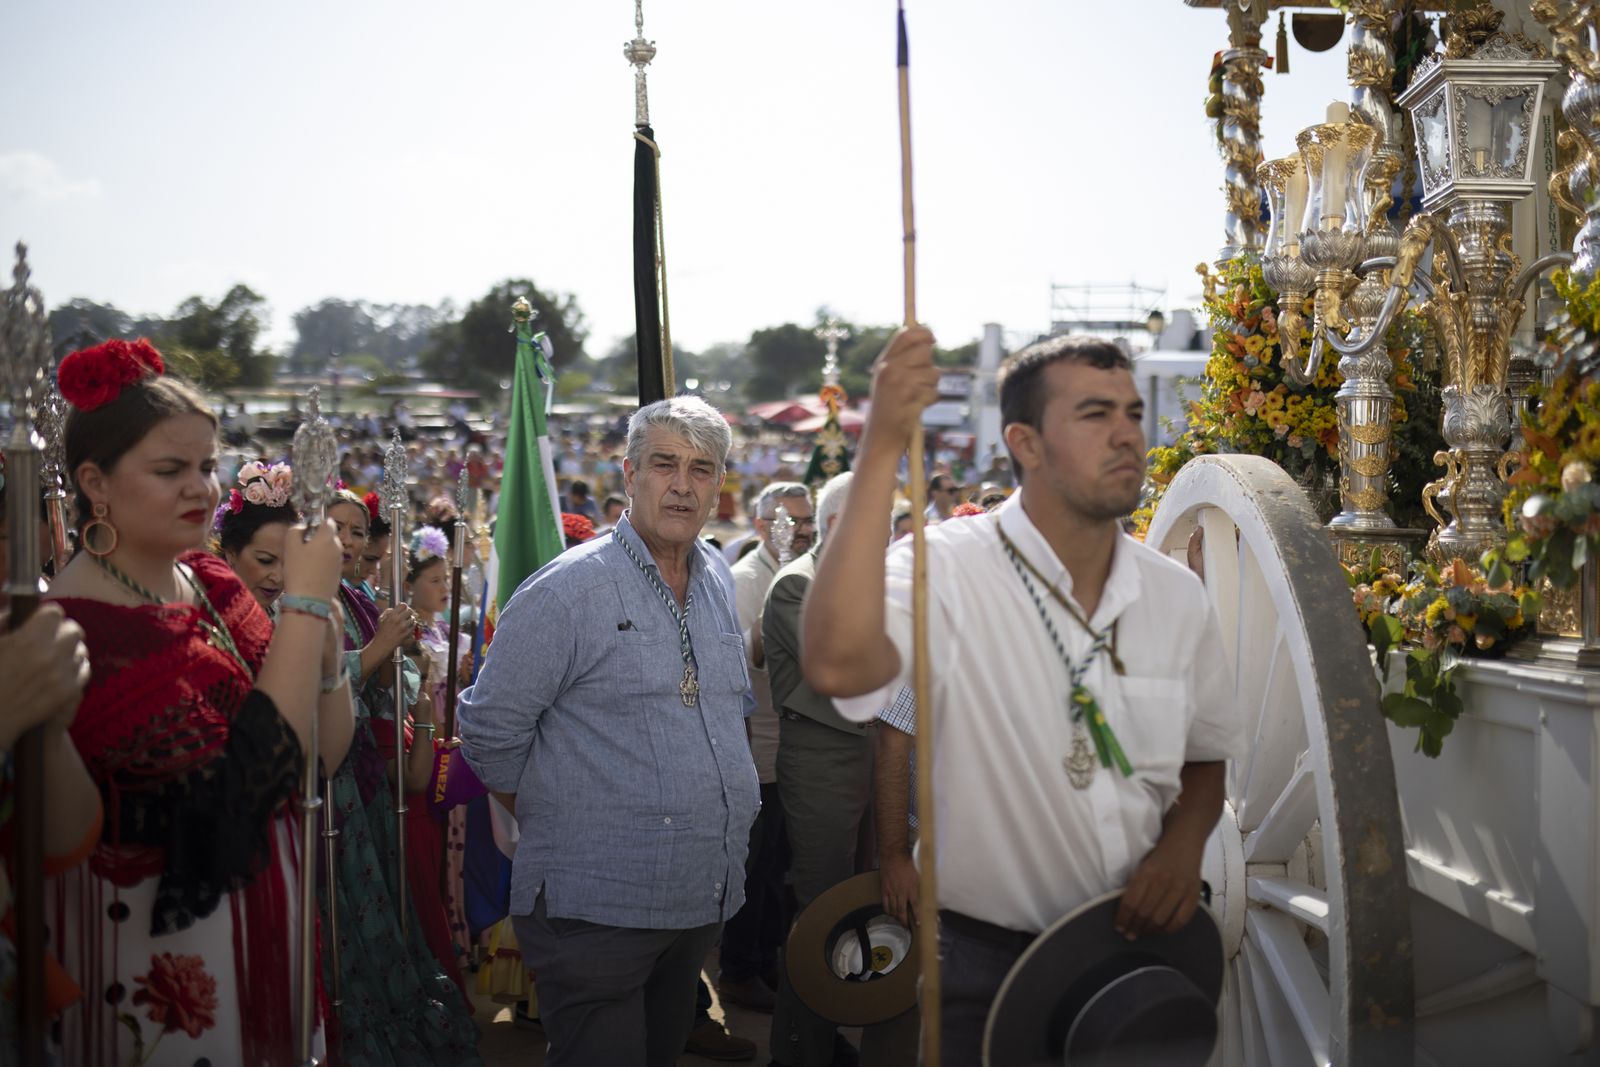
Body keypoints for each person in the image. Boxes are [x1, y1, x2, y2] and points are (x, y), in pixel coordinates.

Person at [802, 331, 1244, 1063]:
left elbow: (1205, 759)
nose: (1127, 433)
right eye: (1096, 413)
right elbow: (836, 664)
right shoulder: (944, 570)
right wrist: (880, 445)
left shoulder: (1177, 595)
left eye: (1133, 412)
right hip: (981, 968)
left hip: (1141, 960)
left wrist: (1182, 844)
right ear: (1026, 444)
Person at [43, 338, 354, 1065]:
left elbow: (313, 765)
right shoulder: (77, 631)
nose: (202, 489)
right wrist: (305, 605)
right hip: (158, 971)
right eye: (170, 469)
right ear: (96, 481)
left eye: (207, 466)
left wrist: (327, 656)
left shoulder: (211, 579)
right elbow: (227, 814)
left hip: (267, 941)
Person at [459, 396, 760, 1067]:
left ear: (719, 484)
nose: (682, 483)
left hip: (694, 900)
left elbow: (727, 710)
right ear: (628, 473)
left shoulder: (714, 577)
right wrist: (563, 820)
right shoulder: (567, 591)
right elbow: (488, 733)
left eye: (702, 468)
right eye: (664, 463)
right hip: (596, 906)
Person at [323, 489, 481, 1065]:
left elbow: (399, 699)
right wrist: (384, 646)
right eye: (334, 528)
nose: (347, 542)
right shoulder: (309, 604)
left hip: (386, 774)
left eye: (357, 533)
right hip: (337, 783)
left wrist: (416, 684)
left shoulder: (358, 601)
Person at [767, 471, 916, 1067]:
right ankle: (799, 1049)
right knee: (821, 909)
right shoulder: (797, 586)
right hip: (824, 760)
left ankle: (830, 1037)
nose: (886, 540)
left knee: (863, 903)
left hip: (870, 757)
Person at [718, 481, 813, 1013]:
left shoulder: (802, 571)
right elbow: (744, 665)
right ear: (760, 527)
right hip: (758, 751)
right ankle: (738, 969)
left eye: (806, 521)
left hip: (792, 749)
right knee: (751, 870)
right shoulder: (746, 580)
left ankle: (766, 959)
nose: (801, 531)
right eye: (790, 521)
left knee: (778, 869)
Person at [214, 460, 296, 612]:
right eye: (265, 561)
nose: (278, 577)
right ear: (232, 553)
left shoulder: (289, 615)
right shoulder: (205, 612)